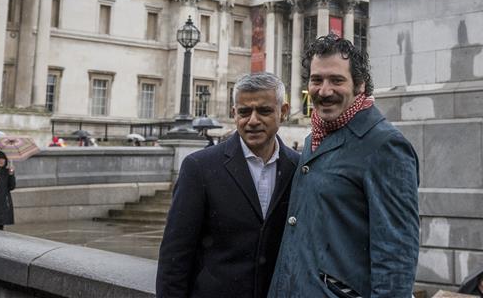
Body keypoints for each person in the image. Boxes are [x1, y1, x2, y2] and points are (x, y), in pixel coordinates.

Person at [266, 34, 420, 298]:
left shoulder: (385, 145)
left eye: (337, 80)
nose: (324, 91)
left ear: (360, 85)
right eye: (317, 80)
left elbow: (397, 256)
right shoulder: (314, 137)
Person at [156, 72, 299, 298]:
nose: (253, 120)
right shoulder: (199, 167)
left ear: (283, 111)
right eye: (244, 112)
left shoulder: (298, 168)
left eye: (264, 111)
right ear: (234, 114)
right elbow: (175, 256)